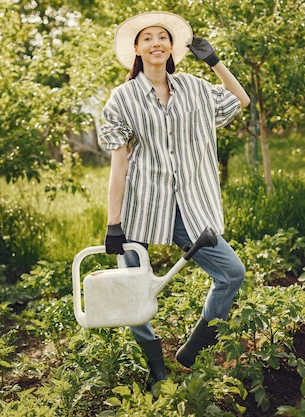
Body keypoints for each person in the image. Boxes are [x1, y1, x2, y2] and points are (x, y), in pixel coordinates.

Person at [98, 11, 250, 389]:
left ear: (172, 47)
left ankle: (194, 348)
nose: (155, 43)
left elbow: (240, 100)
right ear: (136, 49)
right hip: (141, 205)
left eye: (162, 37)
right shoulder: (123, 98)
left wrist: (214, 62)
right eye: (147, 38)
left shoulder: (195, 89)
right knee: (133, 291)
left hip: (190, 205)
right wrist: (113, 222)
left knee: (231, 274)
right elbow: (119, 164)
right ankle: (156, 369)